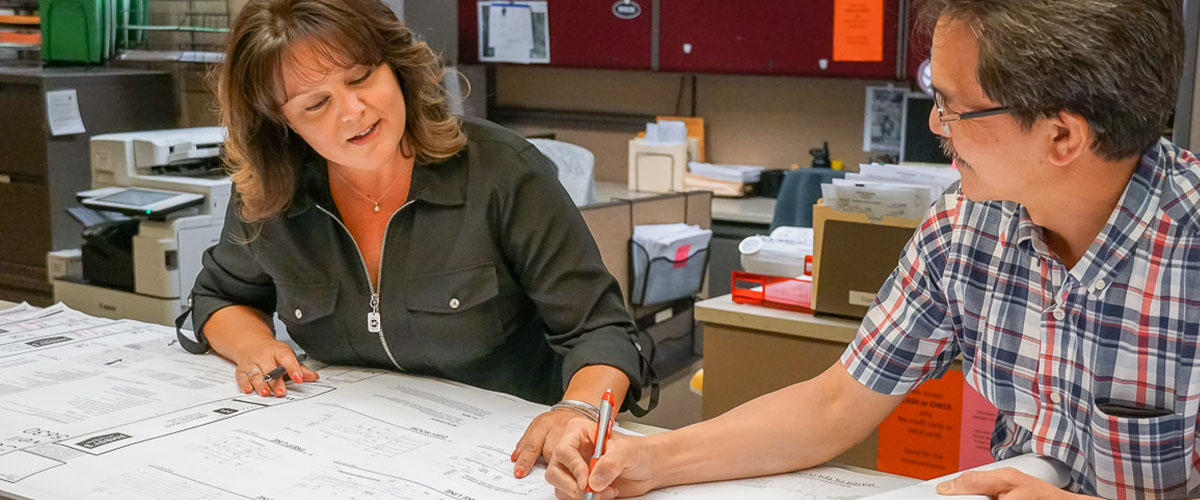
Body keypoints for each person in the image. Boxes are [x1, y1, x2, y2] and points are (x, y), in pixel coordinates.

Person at [546, 0, 1193, 498]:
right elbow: (835, 405)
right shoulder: (967, 225)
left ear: (1062, 137)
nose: (936, 125)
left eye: (953, 107)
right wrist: (651, 460)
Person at [177, 0, 650, 478]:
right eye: (316, 104)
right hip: (344, 454)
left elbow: (601, 332)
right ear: (282, 123)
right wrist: (254, 346)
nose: (353, 111)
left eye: (361, 77)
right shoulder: (271, 193)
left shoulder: (503, 173)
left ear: (396, 68)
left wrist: (581, 411)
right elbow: (219, 296)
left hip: (508, 459)